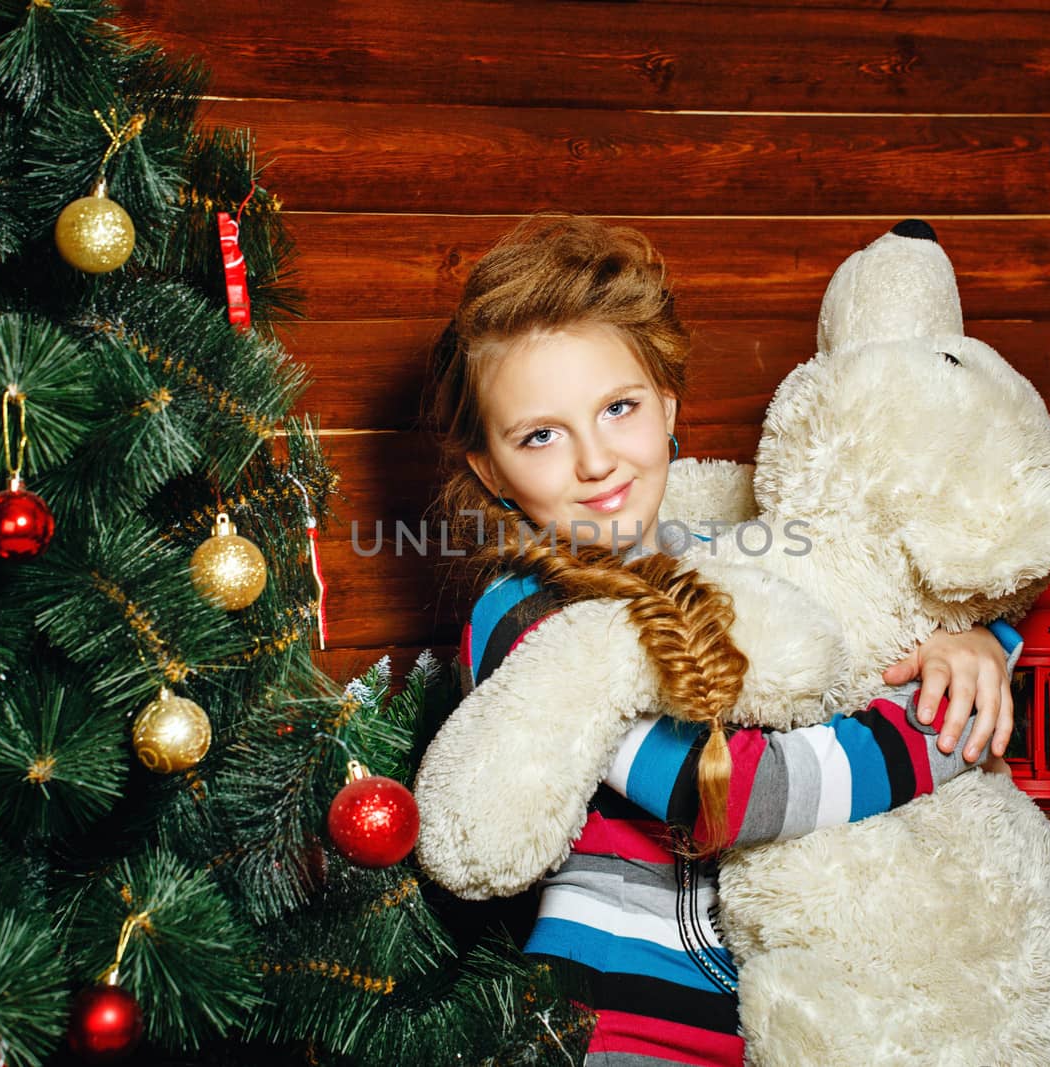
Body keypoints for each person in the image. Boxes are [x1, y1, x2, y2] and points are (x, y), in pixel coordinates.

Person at [421, 213, 1017, 1065]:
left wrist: (979, 645)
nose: (596, 461)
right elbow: (734, 798)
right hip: (621, 1026)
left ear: (667, 405)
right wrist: (941, 721)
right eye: (541, 435)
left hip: (792, 1014)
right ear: (491, 468)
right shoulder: (524, 615)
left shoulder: (743, 554)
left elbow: (891, 601)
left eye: (618, 407)